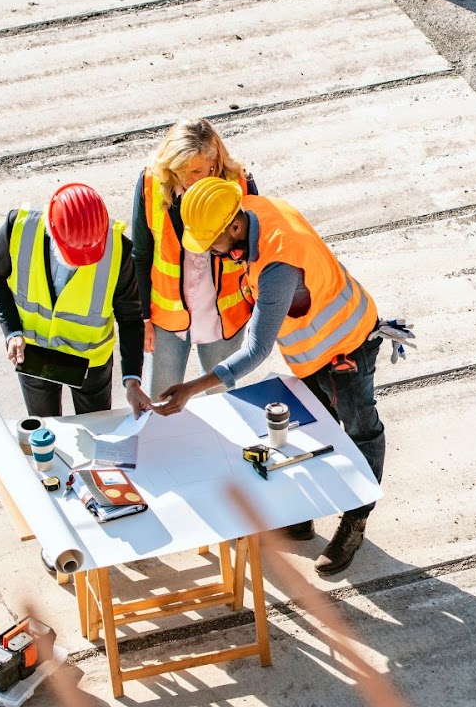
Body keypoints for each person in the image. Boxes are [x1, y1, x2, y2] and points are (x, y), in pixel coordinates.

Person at [153, 177, 385, 577]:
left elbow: (256, 350)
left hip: (346, 347)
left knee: (361, 431)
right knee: (313, 430)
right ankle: (302, 514)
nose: (209, 249)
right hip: (313, 350)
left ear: (234, 226)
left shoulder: (278, 265)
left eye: (212, 241)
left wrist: (192, 389)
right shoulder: (256, 208)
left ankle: (355, 520)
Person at [0, 183, 151, 418]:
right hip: (35, 353)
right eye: (73, 252)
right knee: (46, 429)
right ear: (51, 230)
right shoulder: (18, 228)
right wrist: (12, 332)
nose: (82, 261)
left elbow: (130, 316)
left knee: (97, 429)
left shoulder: (119, 249)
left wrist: (132, 380)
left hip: (89, 363)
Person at [132, 118, 261, 399]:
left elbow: (256, 247)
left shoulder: (240, 182)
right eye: (183, 171)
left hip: (223, 314)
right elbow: (140, 254)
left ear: (215, 161)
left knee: (223, 401)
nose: (191, 180)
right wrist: (142, 318)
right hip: (168, 316)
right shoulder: (150, 183)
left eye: (200, 170)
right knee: (161, 400)